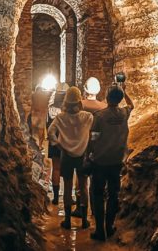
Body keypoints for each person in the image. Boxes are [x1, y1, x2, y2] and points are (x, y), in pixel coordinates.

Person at [90, 83, 134, 241]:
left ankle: (100, 230)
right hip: (117, 160)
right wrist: (125, 92)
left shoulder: (99, 116)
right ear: (120, 98)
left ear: (107, 98)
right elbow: (131, 105)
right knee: (113, 194)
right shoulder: (124, 113)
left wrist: (92, 152)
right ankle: (110, 226)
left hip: (100, 160)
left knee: (97, 194)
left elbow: (93, 137)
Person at [48, 86, 93, 229]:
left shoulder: (60, 117)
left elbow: (50, 132)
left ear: (65, 103)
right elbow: (93, 133)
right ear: (80, 102)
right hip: (82, 156)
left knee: (67, 187)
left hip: (66, 156)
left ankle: (67, 220)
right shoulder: (87, 117)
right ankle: (84, 221)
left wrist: (59, 145)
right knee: (83, 186)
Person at [72, 77, 107, 217]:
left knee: (80, 179)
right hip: (98, 146)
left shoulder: (80, 105)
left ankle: (81, 208)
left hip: (82, 145)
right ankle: (94, 209)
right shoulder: (103, 107)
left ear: (85, 90)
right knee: (95, 178)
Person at [47, 83, 69, 205]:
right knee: (67, 170)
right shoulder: (68, 110)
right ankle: (67, 197)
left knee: (55, 168)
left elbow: (48, 125)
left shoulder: (50, 108)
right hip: (66, 141)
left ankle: (55, 197)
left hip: (54, 141)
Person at [31, 86, 51, 150]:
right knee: (41, 130)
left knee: (33, 130)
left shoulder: (33, 95)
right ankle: (40, 146)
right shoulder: (44, 95)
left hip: (34, 113)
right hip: (42, 113)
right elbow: (48, 104)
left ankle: (33, 145)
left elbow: (31, 103)